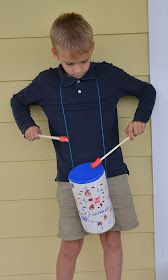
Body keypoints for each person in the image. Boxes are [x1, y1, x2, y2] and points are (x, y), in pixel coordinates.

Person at [11, 13, 156, 280]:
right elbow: (17, 101)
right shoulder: (46, 83)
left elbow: (148, 91)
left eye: (84, 61)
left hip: (111, 172)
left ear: (92, 48)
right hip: (70, 180)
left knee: (112, 239)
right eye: (70, 63)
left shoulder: (108, 75)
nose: (78, 68)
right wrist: (27, 127)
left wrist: (139, 119)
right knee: (70, 245)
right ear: (55, 54)